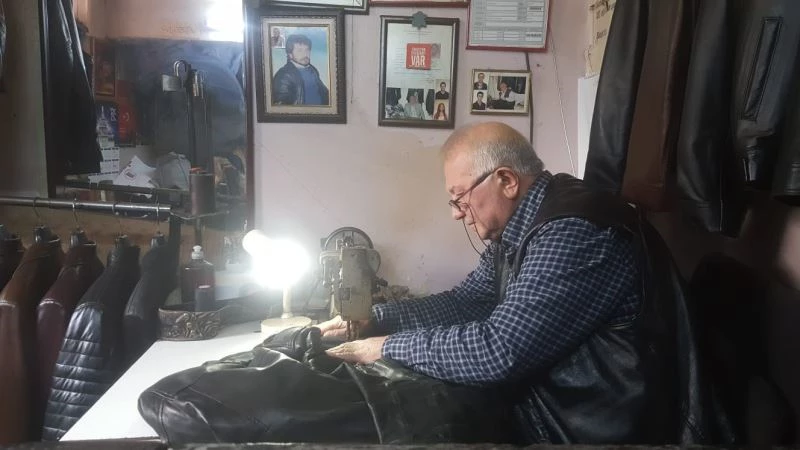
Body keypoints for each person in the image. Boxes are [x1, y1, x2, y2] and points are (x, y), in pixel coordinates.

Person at [318, 122, 679, 443]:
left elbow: (498, 351)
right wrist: (376, 319)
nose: (456, 213)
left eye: (460, 198)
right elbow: (467, 301)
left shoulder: (573, 231)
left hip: (580, 428)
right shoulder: (518, 228)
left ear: (506, 181)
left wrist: (385, 347)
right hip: (543, 402)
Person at [272, 34, 329, 106]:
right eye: (300, 50)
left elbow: (325, 94)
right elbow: (280, 104)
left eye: (307, 50)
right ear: (290, 54)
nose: (305, 54)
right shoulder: (283, 75)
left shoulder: (312, 70)